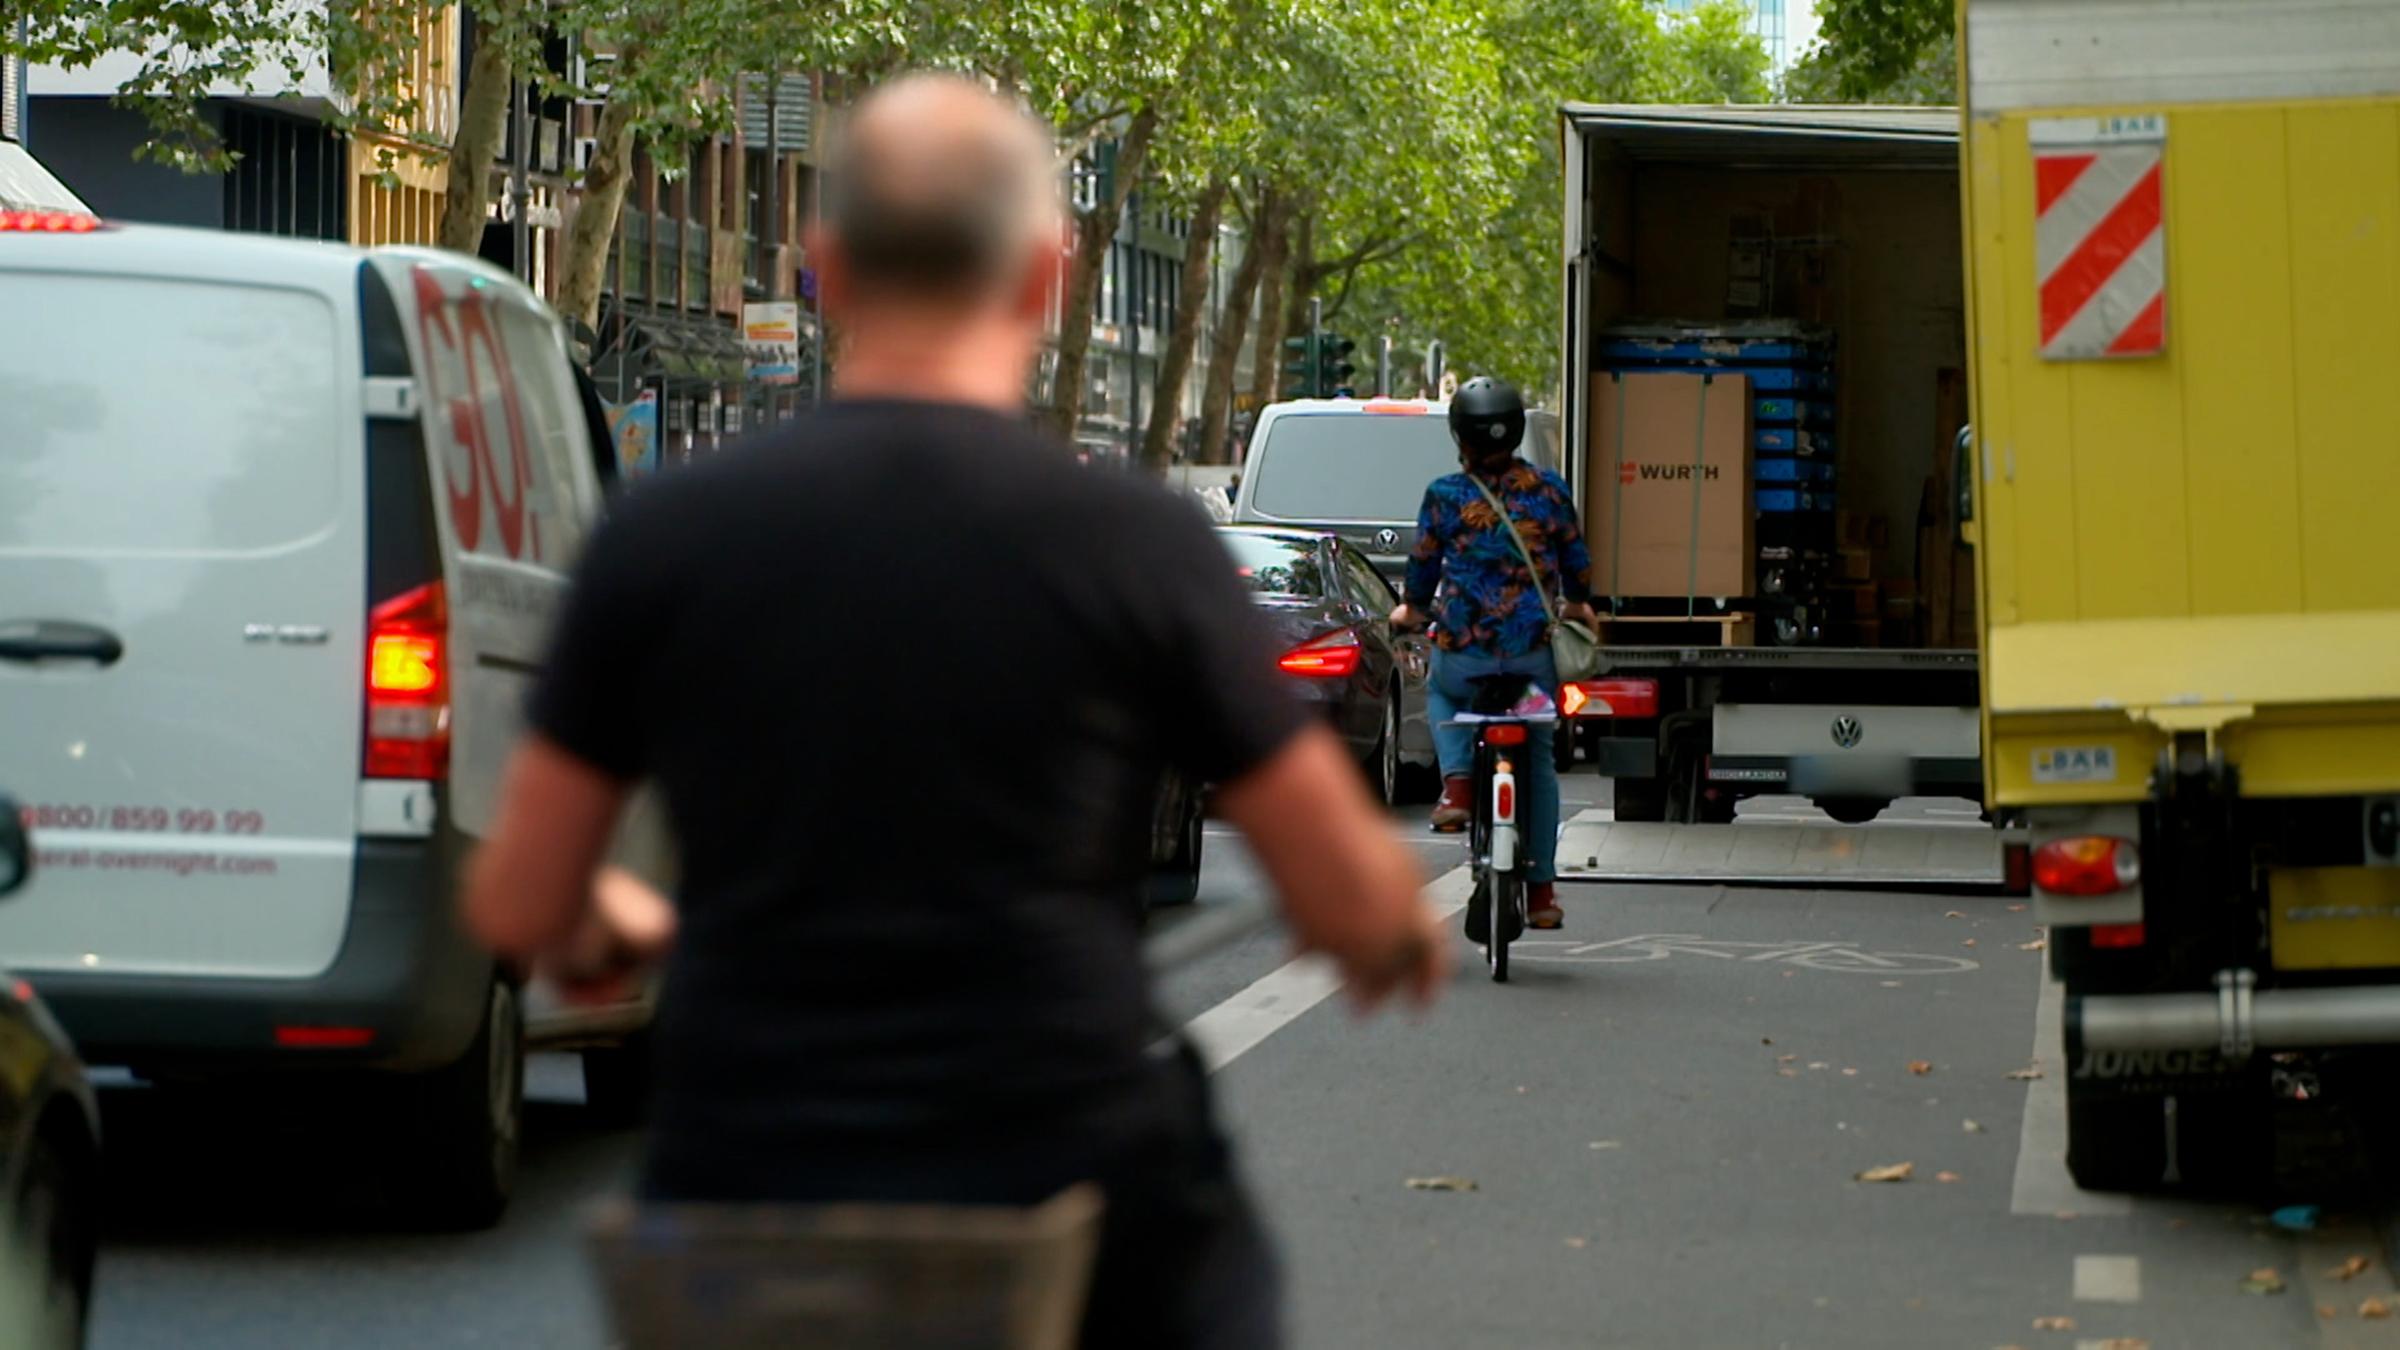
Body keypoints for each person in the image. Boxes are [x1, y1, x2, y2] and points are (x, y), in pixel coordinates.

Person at [456, 74, 1444, 1349]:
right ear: (1044, 279)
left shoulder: (661, 540)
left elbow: (524, 905)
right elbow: (1349, 893)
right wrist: (1390, 938)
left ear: (827, 270)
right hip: (1059, 1184)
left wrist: (641, 921)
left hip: (752, 1179)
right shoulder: (1135, 547)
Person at [1390, 376, 1596, 931]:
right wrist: (1578, 606)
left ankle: (1457, 785)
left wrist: (1410, 610)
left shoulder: (1445, 496)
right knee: (1538, 763)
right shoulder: (1549, 491)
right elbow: (1577, 565)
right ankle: (1543, 896)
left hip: (1466, 654)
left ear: (1461, 436)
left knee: (1440, 690)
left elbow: (1423, 569)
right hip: (1530, 658)